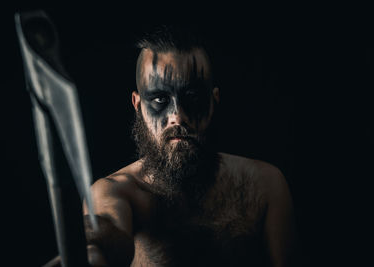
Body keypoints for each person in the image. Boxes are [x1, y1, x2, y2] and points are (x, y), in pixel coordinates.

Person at [48, 25, 297, 267]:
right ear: (138, 106)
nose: (177, 116)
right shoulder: (118, 192)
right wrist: (88, 251)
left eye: (192, 98)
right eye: (160, 99)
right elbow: (107, 229)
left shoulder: (264, 185)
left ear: (213, 101)